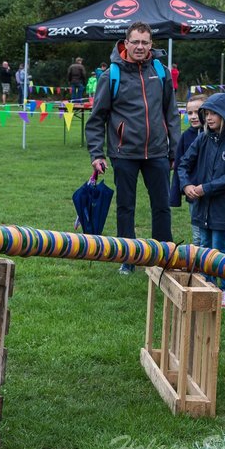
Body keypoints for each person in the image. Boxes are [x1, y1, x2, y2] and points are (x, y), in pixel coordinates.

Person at [85, 22, 178, 273]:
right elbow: (97, 118)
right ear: (125, 43)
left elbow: (171, 113)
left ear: (151, 45)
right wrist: (97, 153)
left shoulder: (161, 71)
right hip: (123, 152)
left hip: (157, 151)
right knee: (126, 207)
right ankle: (129, 258)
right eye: (135, 42)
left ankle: (164, 255)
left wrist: (174, 150)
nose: (140, 47)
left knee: (162, 205)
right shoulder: (111, 75)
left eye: (144, 42)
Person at [178, 92, 225, 309]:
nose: (208, 118)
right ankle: (207, 284)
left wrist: (205, 188)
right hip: (202, 206)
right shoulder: (202, 139)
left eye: (213, 113)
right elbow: (183, 164)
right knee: (204, 247)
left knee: (219, 248)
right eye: (206, 113)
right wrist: (186, 185)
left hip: (223, 208)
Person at [169, 93, 207, 227]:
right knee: (197, 232)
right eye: (190, 113)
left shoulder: (214, 135)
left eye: (197, 112)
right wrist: (177, 193)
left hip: (211, 191)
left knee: (213, 230)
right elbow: (180, 164)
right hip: (193, 191)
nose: (194, 116)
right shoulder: (185, 137)